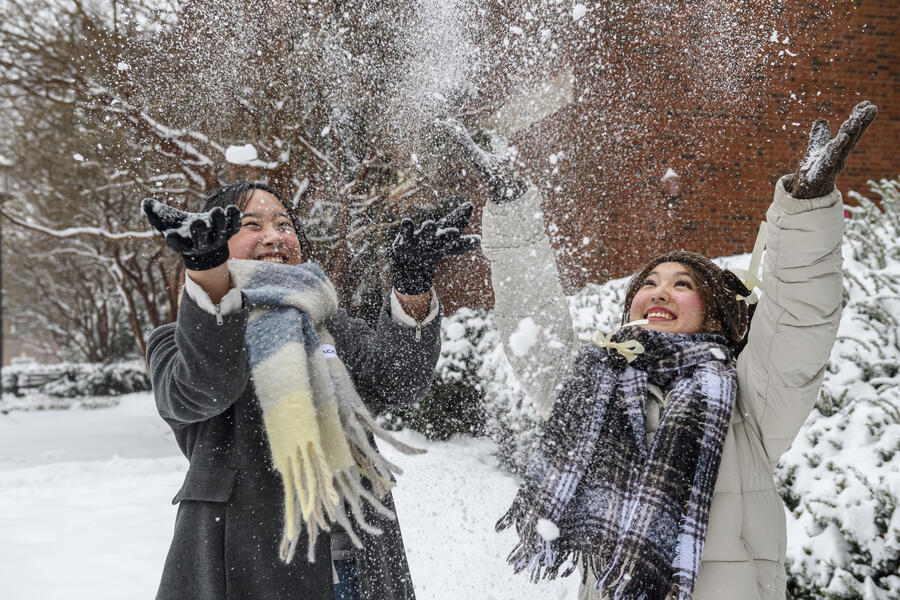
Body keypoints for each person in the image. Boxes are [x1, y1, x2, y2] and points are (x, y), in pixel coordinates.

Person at [438, 100, 877, 599]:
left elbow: (800, 321)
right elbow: (530, 318)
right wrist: (512, 209)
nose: (660, 291)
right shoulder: (593, 388)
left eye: (683, 283)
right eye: (648, 283)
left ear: (715, 316)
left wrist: (806, 210)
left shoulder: (747, 401)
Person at [141, 182, 479, 600]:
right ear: (214, 239)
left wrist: (412, 285)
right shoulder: (179, 340)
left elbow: (400, 381)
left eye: (284, 224)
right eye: (252, 224)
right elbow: (205, 387)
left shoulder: (331, 327)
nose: (274, 235)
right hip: (246, 569)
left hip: (358, 564)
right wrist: (209, 273)